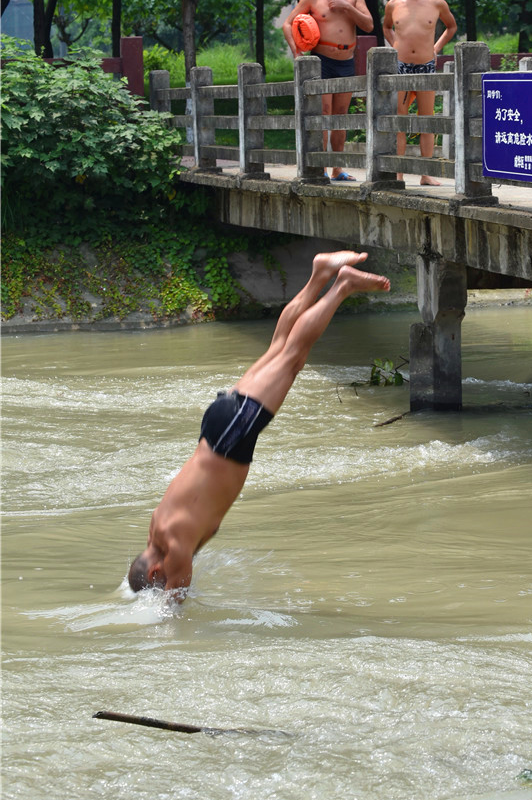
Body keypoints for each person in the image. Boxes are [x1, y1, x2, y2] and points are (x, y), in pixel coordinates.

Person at [128, 252, 390, 596]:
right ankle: (320, 274)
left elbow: (175, 609)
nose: (166, 583)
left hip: (230, 436)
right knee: (280, 348)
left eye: (160, 582)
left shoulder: (174, 550)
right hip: (219, 427)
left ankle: (341, 285)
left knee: (292, 355)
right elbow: (143, 575)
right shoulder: (155, 531)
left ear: (157, 571)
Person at [283, 0, 374, 181]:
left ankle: (338, 168)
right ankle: (321, 167)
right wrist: (296, 53)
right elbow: (288, 23)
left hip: (346, 61)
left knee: (340, 116)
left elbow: (368, 24)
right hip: (321, 60)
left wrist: (347, 8)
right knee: (323, 115)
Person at [382, 0, 457, 186]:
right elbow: (386, 26)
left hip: (426, 65)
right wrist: (395, 45)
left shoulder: (436, 3)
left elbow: (451, 26)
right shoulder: (393, 4)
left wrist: (436, 48)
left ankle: (426, 172)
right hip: (401, 66)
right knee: (400, 121)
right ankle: (399, 173)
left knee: (427, 120)